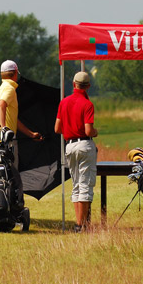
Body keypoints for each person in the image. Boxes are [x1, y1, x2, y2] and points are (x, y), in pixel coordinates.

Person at [55, 71, 98, 232]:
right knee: (86, 184)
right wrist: (95, 132)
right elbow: (88, 130)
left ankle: (78, 222)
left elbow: (57, 128)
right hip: (84, 145)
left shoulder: (64, 102)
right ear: (88, 86)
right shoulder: (88, 104)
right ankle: (81, 225)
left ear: (74, 84)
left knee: (76, 184)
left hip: (69, 145)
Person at [0, 60, 43, 169]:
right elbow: (1, 105)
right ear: (15, 73)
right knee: (12, 172)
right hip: (6, 139)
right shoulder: (10, 89)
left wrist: (31, 134)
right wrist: (4, 128)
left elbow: (13, 119)